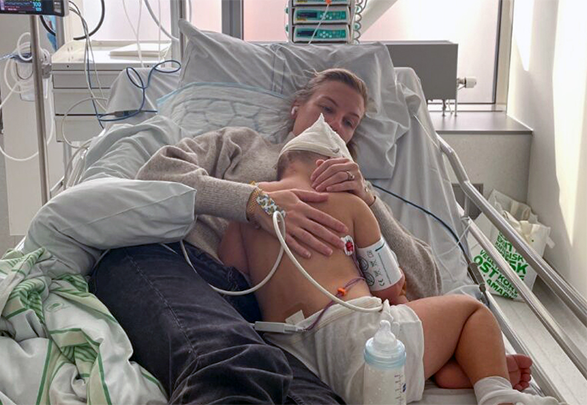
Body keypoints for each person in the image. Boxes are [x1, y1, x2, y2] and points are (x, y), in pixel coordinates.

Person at [88, 68, 441, 404]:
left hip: (283, 330)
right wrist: (254, 202)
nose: (335, 124)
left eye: (350, 122)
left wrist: (368, 199)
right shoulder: (242, 143)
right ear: (297, 107)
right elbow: (156, 174)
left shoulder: (355, 196)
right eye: (327, 108)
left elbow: (427, 284)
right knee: (234, 366)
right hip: (188, 271)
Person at [217, 116, 557, 405]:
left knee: (422, 329)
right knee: (470, 311)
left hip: (293, 355)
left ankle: (457, 366)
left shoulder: (250, 205)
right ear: (330, 167)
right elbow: (389, 287)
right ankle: (497, 394)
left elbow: (233, 272)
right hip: (360, 340)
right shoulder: (350, 205)